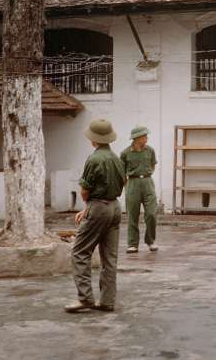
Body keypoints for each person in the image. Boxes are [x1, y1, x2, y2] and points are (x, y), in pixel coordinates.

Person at [65, 119, 125, 314]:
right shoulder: (117, 158)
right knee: (110, 257)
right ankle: (107, 301)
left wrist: (88, 208)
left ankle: (85, 298)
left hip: (98, 207)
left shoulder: (94, 159)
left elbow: (84, 190)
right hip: (115, 207)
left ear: (94, 140)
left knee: (80, 252)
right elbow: (123, 183)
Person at [120, 125, 159, 254]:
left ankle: (150, 241)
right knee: (132, 215)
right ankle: (132, 244)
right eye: (144, 136)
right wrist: (127, 186)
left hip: (148, 182)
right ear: (137, 138)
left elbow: (153, 165)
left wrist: (145, 174)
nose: (147, 138)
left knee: (152, 214)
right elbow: (122, 172)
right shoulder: (125, 153)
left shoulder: (150, 151)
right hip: (133, 183)